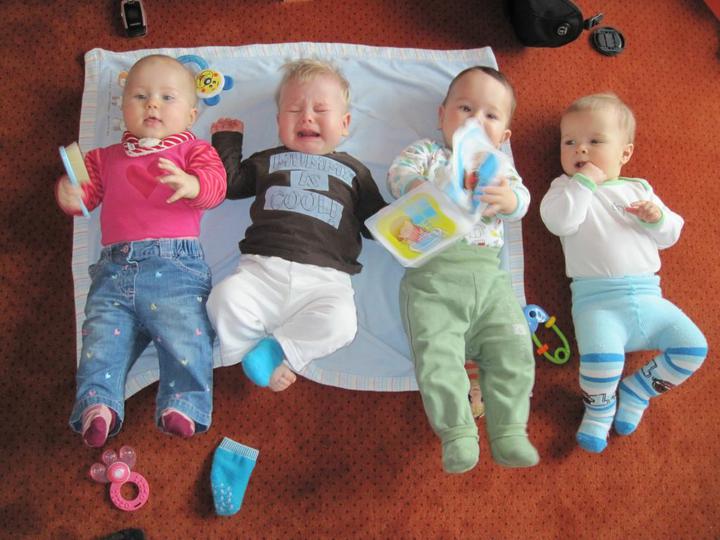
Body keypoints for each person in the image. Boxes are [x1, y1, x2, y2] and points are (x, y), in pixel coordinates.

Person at [56, 54, 227, 447]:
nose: (152, 104)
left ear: (191, 115)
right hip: (114, 271)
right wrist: (71, 194)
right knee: (101, 339)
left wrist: (194, 185)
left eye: (167, 97)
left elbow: (217, 185)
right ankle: (98, 405)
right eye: (140, 96)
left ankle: (183, 404)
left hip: (175, 267)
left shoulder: (194, 150)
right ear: (123, 108)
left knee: (187, 335)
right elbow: (87, 196)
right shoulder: (103, 158)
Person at [387, 66, 539, 473]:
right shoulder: (430, 153)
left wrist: (509, 200)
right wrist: (418, 187)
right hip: (433, 277)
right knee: (436, 355)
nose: (475, 121)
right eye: (465, 108)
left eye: (490, 115)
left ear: (504, 135)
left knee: (514, 348)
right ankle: (457, 433)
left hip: (489, 278)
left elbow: (521, 201)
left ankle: (509, 430)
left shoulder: (500, 168)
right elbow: (398, 175)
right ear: (442, 116)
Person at [539, 93, 708, 453]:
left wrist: (657, 218)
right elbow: (559, 222)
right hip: (597, 304)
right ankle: (599, 409)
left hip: (650, 298)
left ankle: (637, 391)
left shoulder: (639, 189)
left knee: (694, 348)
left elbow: (671, 235)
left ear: (625, 154)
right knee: (600, 364)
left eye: (595, 141)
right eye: (569, 142)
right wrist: (584, 182)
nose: (580, 149)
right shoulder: (564, 189)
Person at [207, 58, 386, 392]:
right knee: (223, 298)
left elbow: (375, 221)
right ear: (279, 122)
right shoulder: (269, 160)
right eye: (294, 110)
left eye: (320, 109)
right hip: (262, 271)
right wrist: (227, 141)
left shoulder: (353, 171)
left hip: (325, 280)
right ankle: (254, 353)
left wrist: (408, 221)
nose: (306, 117)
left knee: (341, 324)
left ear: (344, 124)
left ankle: (278, 348)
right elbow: (230, 185)